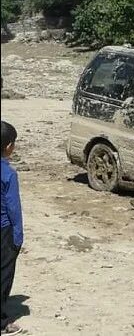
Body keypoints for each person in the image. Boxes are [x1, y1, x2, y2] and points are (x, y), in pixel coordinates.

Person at [1, 121, 24, 335]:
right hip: (4, 231)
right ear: (9, 146)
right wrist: (18, 238)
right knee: (4, 274)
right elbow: (13, 208)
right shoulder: (9, 174)